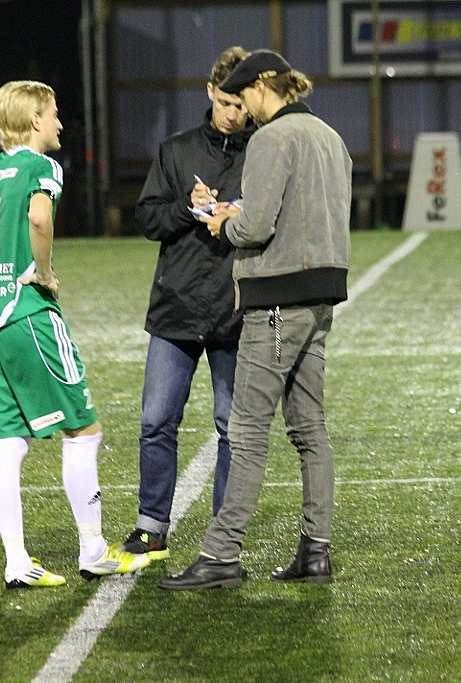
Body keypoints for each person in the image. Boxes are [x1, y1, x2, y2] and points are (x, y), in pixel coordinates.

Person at [0, 80, 149, 588]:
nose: (59, 123)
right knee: (84, 430)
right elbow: (38, 216)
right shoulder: (42, 167)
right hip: (31, 316)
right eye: (53, 114)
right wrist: (44, 273)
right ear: (35, 121)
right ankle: (93, 551)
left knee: (11, 441)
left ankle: (17, 562)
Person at [158, 50, 352, 590]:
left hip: (276, 304)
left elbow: (257, 227)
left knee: (245, 430)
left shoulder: (273, 139)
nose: (242, 111)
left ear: (263, 86)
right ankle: (315, 551)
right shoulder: (330, 137)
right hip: (320, 299)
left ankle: (220, 555)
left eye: (244, 98)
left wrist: (224, 222)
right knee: (310, 429)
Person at [120, 47, 256, 560]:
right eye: (225, 103)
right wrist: (186, 207)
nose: (233, 114)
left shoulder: (264, 151)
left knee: (231, 428)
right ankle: (151, 526)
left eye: (241, 105)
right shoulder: (176, 150)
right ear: (210, 92)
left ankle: (222, 537)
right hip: (176, 309)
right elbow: (148, 219)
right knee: (156, 421)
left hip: (235, 310)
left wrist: (241, 215)